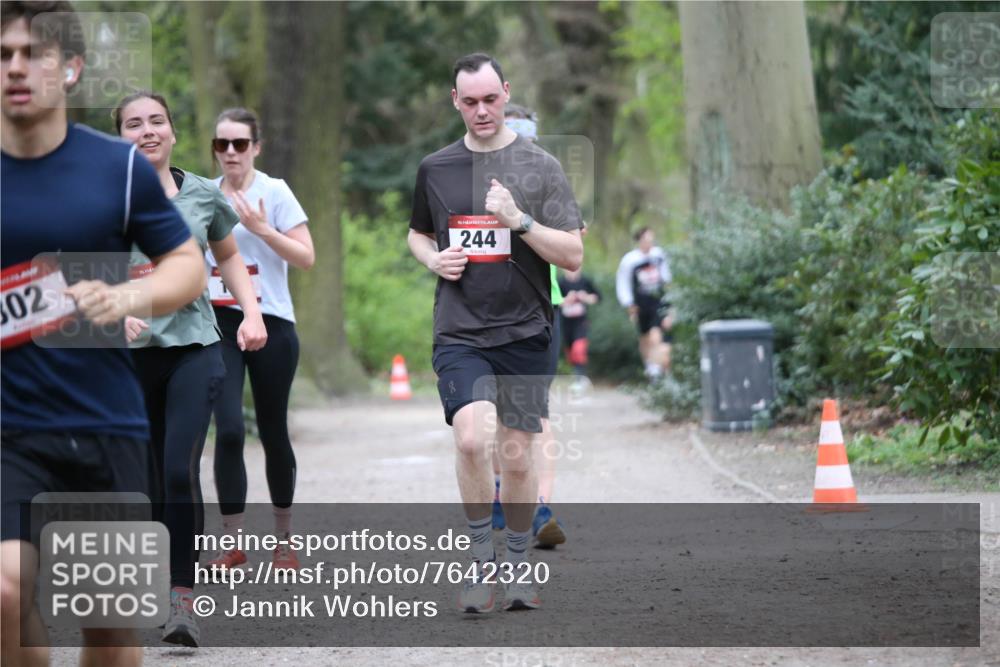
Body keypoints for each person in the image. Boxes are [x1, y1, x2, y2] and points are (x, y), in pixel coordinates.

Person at [1, 2, 205, 665]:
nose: (15, 69)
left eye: (34, 54)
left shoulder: (117, 168)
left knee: (109, 625)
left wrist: (125, 295)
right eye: (3, 56)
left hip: (104, 423)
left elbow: (186, 264)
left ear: (72, 69)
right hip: (8, 428)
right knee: (4, 592)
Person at [408, 53, 583, 612]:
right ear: (454, 102)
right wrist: (433, 260)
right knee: (470, 438)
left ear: (506, 92)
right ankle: (481, 562)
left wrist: (520, 221)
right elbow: (416, 234)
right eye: (470, 101)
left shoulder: (542, 166)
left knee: (516, 457)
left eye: (490, 98)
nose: (481, 110)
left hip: (526, 331)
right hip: (460, 330)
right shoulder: (435, 168)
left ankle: (518, 563)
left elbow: (574, 256)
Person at [114, 91, 267, 648]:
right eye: (135, 123)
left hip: (194, 348)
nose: (147, 130)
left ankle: (182, 600)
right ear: (121, 137)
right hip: (127, 358)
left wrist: (251, 311)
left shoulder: (203, 194)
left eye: (157, 121)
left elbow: (227, 255)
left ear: (174, 132)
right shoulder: (104, 196)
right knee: (147, 479)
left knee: (178, 468)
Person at [206, 107, 315, 573]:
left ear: (256, 147)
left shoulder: (275, 192)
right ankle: (233, 544)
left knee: (273, 431)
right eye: (221, 144)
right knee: (229, 429)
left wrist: (262, 229)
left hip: (272, 321)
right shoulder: (202, 194)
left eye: (240, 144)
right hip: (218, 321)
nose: (230, 152)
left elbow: (306, 257)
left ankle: (284, 540)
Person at [493, 102, 567, 550]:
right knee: (492, 417)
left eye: (529, 143)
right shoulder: (469, 185)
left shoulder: (549, 185)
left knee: (535, 414)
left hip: (540, 310)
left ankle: (540, 507)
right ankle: (503, 493)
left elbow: (572, 249)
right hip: (481, 317)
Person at [616, 226, 673, 379]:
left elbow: (667, 278)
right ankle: (650, 366)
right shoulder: (630, 260)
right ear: (640, 240)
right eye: (646, 239)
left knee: (656, 335)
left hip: (658, 302)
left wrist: (671, 303)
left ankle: (659, 370)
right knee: (645, 337)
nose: (649, 242)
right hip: (641, 304)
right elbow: (623, 282)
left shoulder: (659, 255)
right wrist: (628, 304)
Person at [558, 263, 601, 394]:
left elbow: (597, 297)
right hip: (565, 323)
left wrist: (585, 297)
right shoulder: (560, 283)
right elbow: (553, 301)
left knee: (579, 349)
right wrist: (566, 299)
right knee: (571, 352)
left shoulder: (585, 281)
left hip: (581, 322)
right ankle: (579, 376)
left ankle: (580, 379)